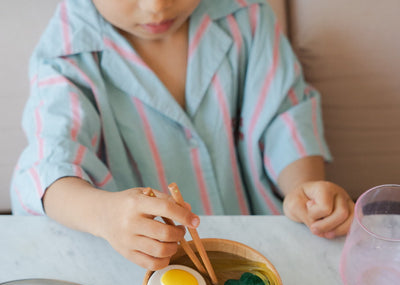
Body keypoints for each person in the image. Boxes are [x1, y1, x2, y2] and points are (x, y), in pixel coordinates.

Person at [11, 0, 354, 270]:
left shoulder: (247, 17)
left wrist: (302, 189)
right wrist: (105, 215)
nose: (157, 6)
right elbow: (50, 162)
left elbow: (284, 116)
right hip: (142, 267)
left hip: (259, 246)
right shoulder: (64, 54)